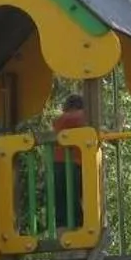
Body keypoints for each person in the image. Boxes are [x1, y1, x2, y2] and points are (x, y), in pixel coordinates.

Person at [51, 93, 88, 228]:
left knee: (62, 206)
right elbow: (99, 131)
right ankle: (81, 233)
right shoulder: (82, 116)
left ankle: (63, 235)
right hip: (75, 165)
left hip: (57, 165)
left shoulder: (58, 121)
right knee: (78, 202)